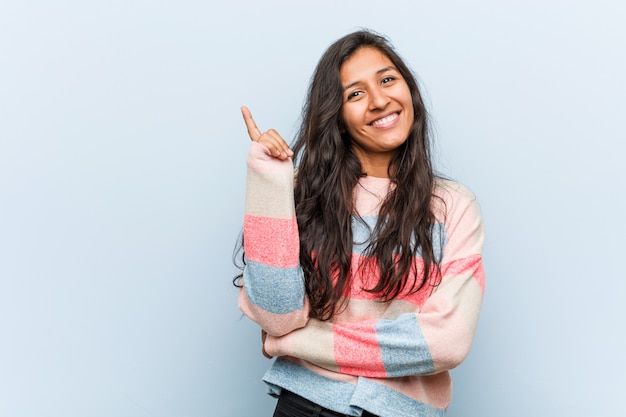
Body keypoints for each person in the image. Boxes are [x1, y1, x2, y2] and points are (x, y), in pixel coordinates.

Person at [234, 29, 485, 417]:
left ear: (409, 90)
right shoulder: (303, 193)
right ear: (336, 114)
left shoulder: (453, 205)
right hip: (306, 406)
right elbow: (277, 316)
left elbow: (446, 343)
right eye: (355, 93)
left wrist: (293, 343)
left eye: (387, 80)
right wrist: (269, 179)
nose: (379, 100)